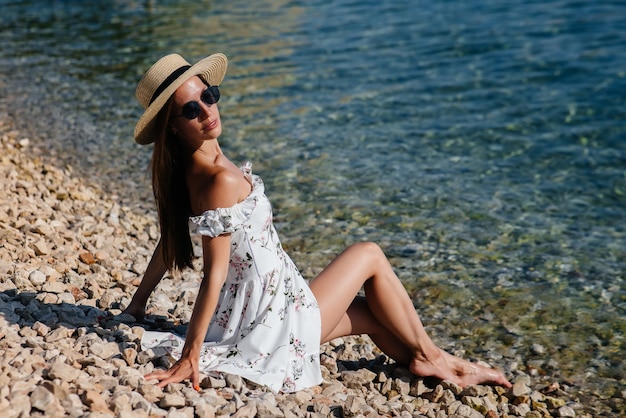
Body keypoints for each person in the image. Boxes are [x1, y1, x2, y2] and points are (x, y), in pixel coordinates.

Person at [123, 52, 512, 393]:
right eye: (191, 109)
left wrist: (137, 304)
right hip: (271, 318)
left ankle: (442, 362)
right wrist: (192, 353)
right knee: (370, 254)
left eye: (208, 96)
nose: (207, 111)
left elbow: (169, 242)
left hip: (258, 309)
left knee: (377, 314)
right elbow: (215, 275)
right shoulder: (220, 179)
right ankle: (438, 360)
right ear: (173, 125)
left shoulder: (189, 172)